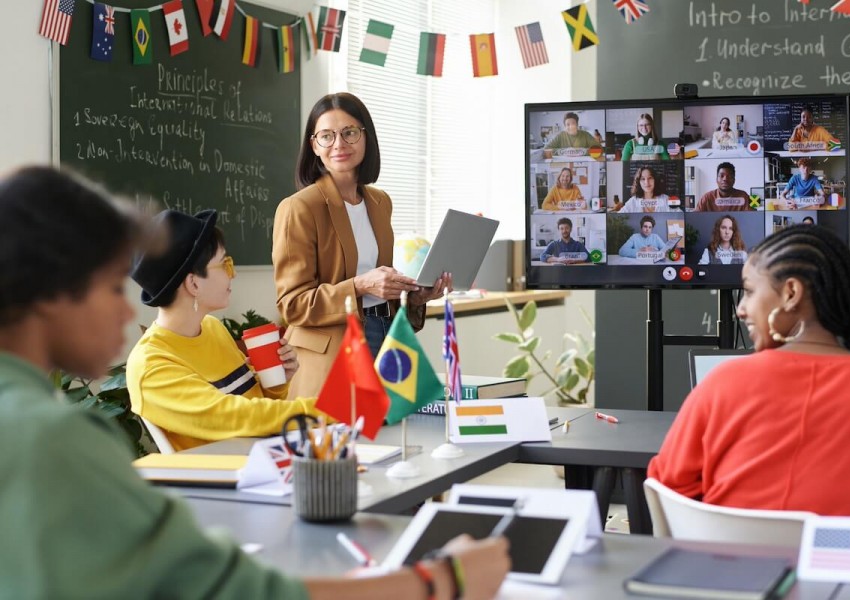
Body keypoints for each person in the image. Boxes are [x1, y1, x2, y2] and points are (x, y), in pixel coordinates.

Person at [0, 166, 511, 599]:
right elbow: (231, 587)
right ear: (53, 290)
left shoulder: (34, 416)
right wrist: (442, 579)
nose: (124, 306)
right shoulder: (47, 436)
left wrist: (280, 384)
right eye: (111, 286)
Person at [648, 225, 850, 516]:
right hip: (842, 561)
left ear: (791, 293)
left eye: (750, 291)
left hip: (729, 560)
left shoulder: (723, 383)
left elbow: (667, 493)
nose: (740, 309)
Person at [273, 93, 449, 398]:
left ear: (366, 137)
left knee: (394, 439)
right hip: (332, 353)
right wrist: (359, 285)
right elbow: (292, 304)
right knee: (351, 442)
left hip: (384, 338)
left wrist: (417, 298)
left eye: (350, 133)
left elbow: (378, 294)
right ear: (314, 145)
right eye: (326, 136)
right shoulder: (299, 207)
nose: (339, 144)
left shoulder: (380, 202)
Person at [127, 209, 321, 451]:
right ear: (193, 283)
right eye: (225, 264)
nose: (234, 273)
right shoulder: (151, 366)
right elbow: (237, 417)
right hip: (225, 479)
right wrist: (326, 411)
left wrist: (276, 382)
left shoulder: (212, 328)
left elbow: (255, 409)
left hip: (267, 460)